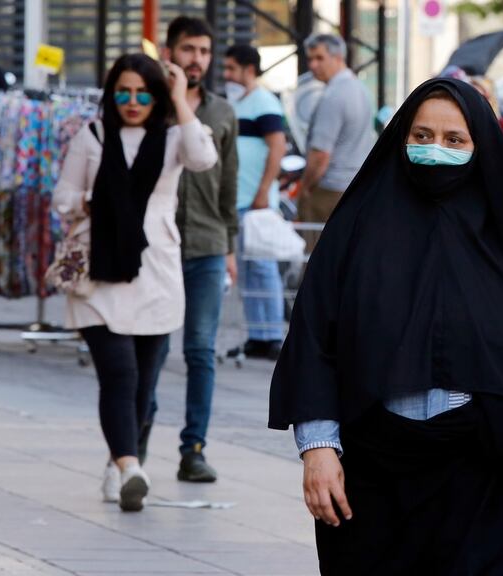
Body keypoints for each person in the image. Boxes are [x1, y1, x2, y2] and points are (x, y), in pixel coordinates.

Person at [269, 78, 503, 575]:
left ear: (481, 147)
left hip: (490, 470)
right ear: (401, 138)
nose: (435, 149)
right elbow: (314, 337)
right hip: (377, 474)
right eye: (421, 136)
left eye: (454, 139)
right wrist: (318, 448)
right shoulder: (358, 226)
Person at [52, 54, 217, 511]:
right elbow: (62, 196)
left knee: (144, 382)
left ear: (157, 96)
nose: (132, 101)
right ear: (111, 94)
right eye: (123, 92)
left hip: (155, 273)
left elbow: (203, 157)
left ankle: (116, 464)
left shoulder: (173, 138)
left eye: (143, 93)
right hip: (100, 273)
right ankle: (130, 466)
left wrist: (180, 98)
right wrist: (95, 201)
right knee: (119, 374)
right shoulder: (92, 135)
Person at [147, 16, 239, 483]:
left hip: (207, 244)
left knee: (201, 351)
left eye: (204, 51)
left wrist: (230, 246)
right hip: (156, 246)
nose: (196, 59)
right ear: (170, 52)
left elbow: (228, 184)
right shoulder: (148, 104)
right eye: (188, 50)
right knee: (152, 348)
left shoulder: (223, 112)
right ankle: (134, 445)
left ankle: (194, 449)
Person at [222, 44, 287, 360]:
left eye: (231, 68)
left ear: (249, 69)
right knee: (247, 270)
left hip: (255, 200)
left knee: (263, 266)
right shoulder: (239, 103)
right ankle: (257, 334)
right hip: (240, 198)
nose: (227, 75)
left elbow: (277, 147)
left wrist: (263, 191)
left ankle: (272, 333)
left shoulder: (264, 102)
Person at [298, 33, 374, 250]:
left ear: (338, 57)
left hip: (329, 190)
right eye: (310, 59)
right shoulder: (360, 89)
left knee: (316, 258)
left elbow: (320, 155)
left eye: (319, 58)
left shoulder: (334, 95)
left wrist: (305, 188)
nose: (313, 65)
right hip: (355, 187)